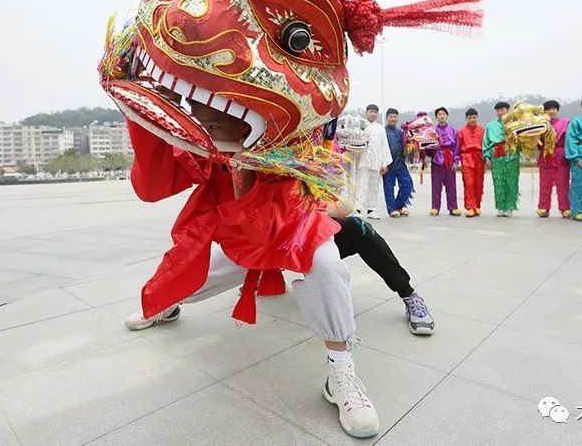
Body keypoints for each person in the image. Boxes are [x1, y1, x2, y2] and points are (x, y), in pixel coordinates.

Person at [124, 96, 379, 437]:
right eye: (199, 121)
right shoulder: (207, 149)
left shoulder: (297, 140)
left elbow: (344, 202)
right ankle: (166, 306)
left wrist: (307, 203)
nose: (203, 129)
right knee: (192, 277)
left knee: (328, 268)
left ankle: (341, 373)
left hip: (296, 229)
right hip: (243, 238)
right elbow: (153, 184)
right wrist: (148, 116)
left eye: (212, 125)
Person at [482, 101, 520, 216]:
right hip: (496, 154)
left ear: (507, 110)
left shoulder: (516, 123)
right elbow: (486, 142)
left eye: (502, 110)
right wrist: (487, 157)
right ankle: (500, 207)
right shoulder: (490, 125)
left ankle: (510, 207)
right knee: (498, 181)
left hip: (511, 153)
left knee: (511, 180)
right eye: (498, 110)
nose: (500, 112)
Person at [355, 104, 392, 220]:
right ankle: (358, 210)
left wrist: (385, 163)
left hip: (377, 163)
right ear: (366, 113)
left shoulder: (380, 128)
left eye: (375, 112)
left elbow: (384, 145)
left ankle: (371, 210)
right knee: (362, 186)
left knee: (374, 188)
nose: (373, 114)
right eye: (371, 111)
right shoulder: (360, 126)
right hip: (363, 162)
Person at [537, 100, 571, 218]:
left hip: (561, 156)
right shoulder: (539, 124)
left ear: (557, 110)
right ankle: (543, 207)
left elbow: (569, 140)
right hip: (545, 156)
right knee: (544, 184)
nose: (551, 111)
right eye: (548, 109)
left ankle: (565, 208)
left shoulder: (566, 123)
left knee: (563, 184)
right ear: (544, 111)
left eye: (554, 109)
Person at [428, 107, 460, 216]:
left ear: (447, 116)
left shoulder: (454, 130)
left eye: (443, 114)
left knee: (451, 185)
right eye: (439, 114)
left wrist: (456, 162)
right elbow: (428, 147)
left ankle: (453, 207)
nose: (442, 116)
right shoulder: (432, 131)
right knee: (436, 185)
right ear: (436, 117)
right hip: (437, 160)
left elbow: (457, 147)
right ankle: (435, 207)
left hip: (450, 159)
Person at [383, 108, 414, 218]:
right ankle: (392, 209)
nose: (393, 119)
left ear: (397, 118)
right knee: (389, 187)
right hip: (388, 163)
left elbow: (406, 146)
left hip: (400, 162)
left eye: (395, 117)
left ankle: (399, 206)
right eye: (390, 117)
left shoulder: (401, 132)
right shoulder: (383, 131)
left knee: (407, 184)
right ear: (387, 118)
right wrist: (383, 164)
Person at [458, 108, 484, 217]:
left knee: (479, 183)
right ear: (466, 119)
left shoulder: (482, 130)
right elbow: (458, 147)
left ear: (477, 118)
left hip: (479, 157)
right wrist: (458, 160)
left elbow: (486, 145)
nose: (472, 120)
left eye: (474, 117)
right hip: (467, 157)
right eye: (470, 118)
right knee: (469, 183)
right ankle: (469, 207)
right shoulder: (461, 131)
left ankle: (477, 206)